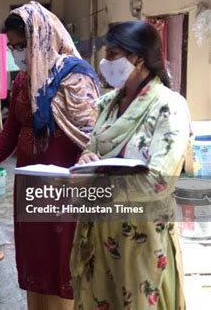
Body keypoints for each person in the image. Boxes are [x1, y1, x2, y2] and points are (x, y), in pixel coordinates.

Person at [0, 1, 101, 309]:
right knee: (35, 258)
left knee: (63, 259)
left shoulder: (76, 78)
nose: (17, 54)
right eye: (12, 47)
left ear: (43, 37)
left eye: (22, 45)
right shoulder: (24, 80)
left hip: (66, 188)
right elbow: (10, 132)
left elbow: (94, 138)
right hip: (29, 184)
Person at [71, 21, 191, 309]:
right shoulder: (109, 104)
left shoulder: (168, 107)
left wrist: (99, 183)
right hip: (100, 233)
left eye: (112, 54)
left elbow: (159, 181)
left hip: (139, 239)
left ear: (138, 57)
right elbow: (91, 150)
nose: (104, 62)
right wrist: (85, 161)